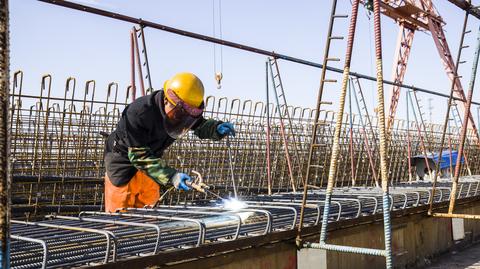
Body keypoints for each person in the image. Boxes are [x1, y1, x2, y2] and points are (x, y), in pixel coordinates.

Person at [103, 72, 235, 212]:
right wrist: (171, 176)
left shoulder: (182, 114)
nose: (182, 120)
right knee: (119, 221)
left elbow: (199, 124)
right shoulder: (138, 113)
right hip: (123, 167)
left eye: (187, 117)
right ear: (167, 100)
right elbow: (139, 155)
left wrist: (216, 128)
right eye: (180, 115)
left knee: (149, 218)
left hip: (152, 168)